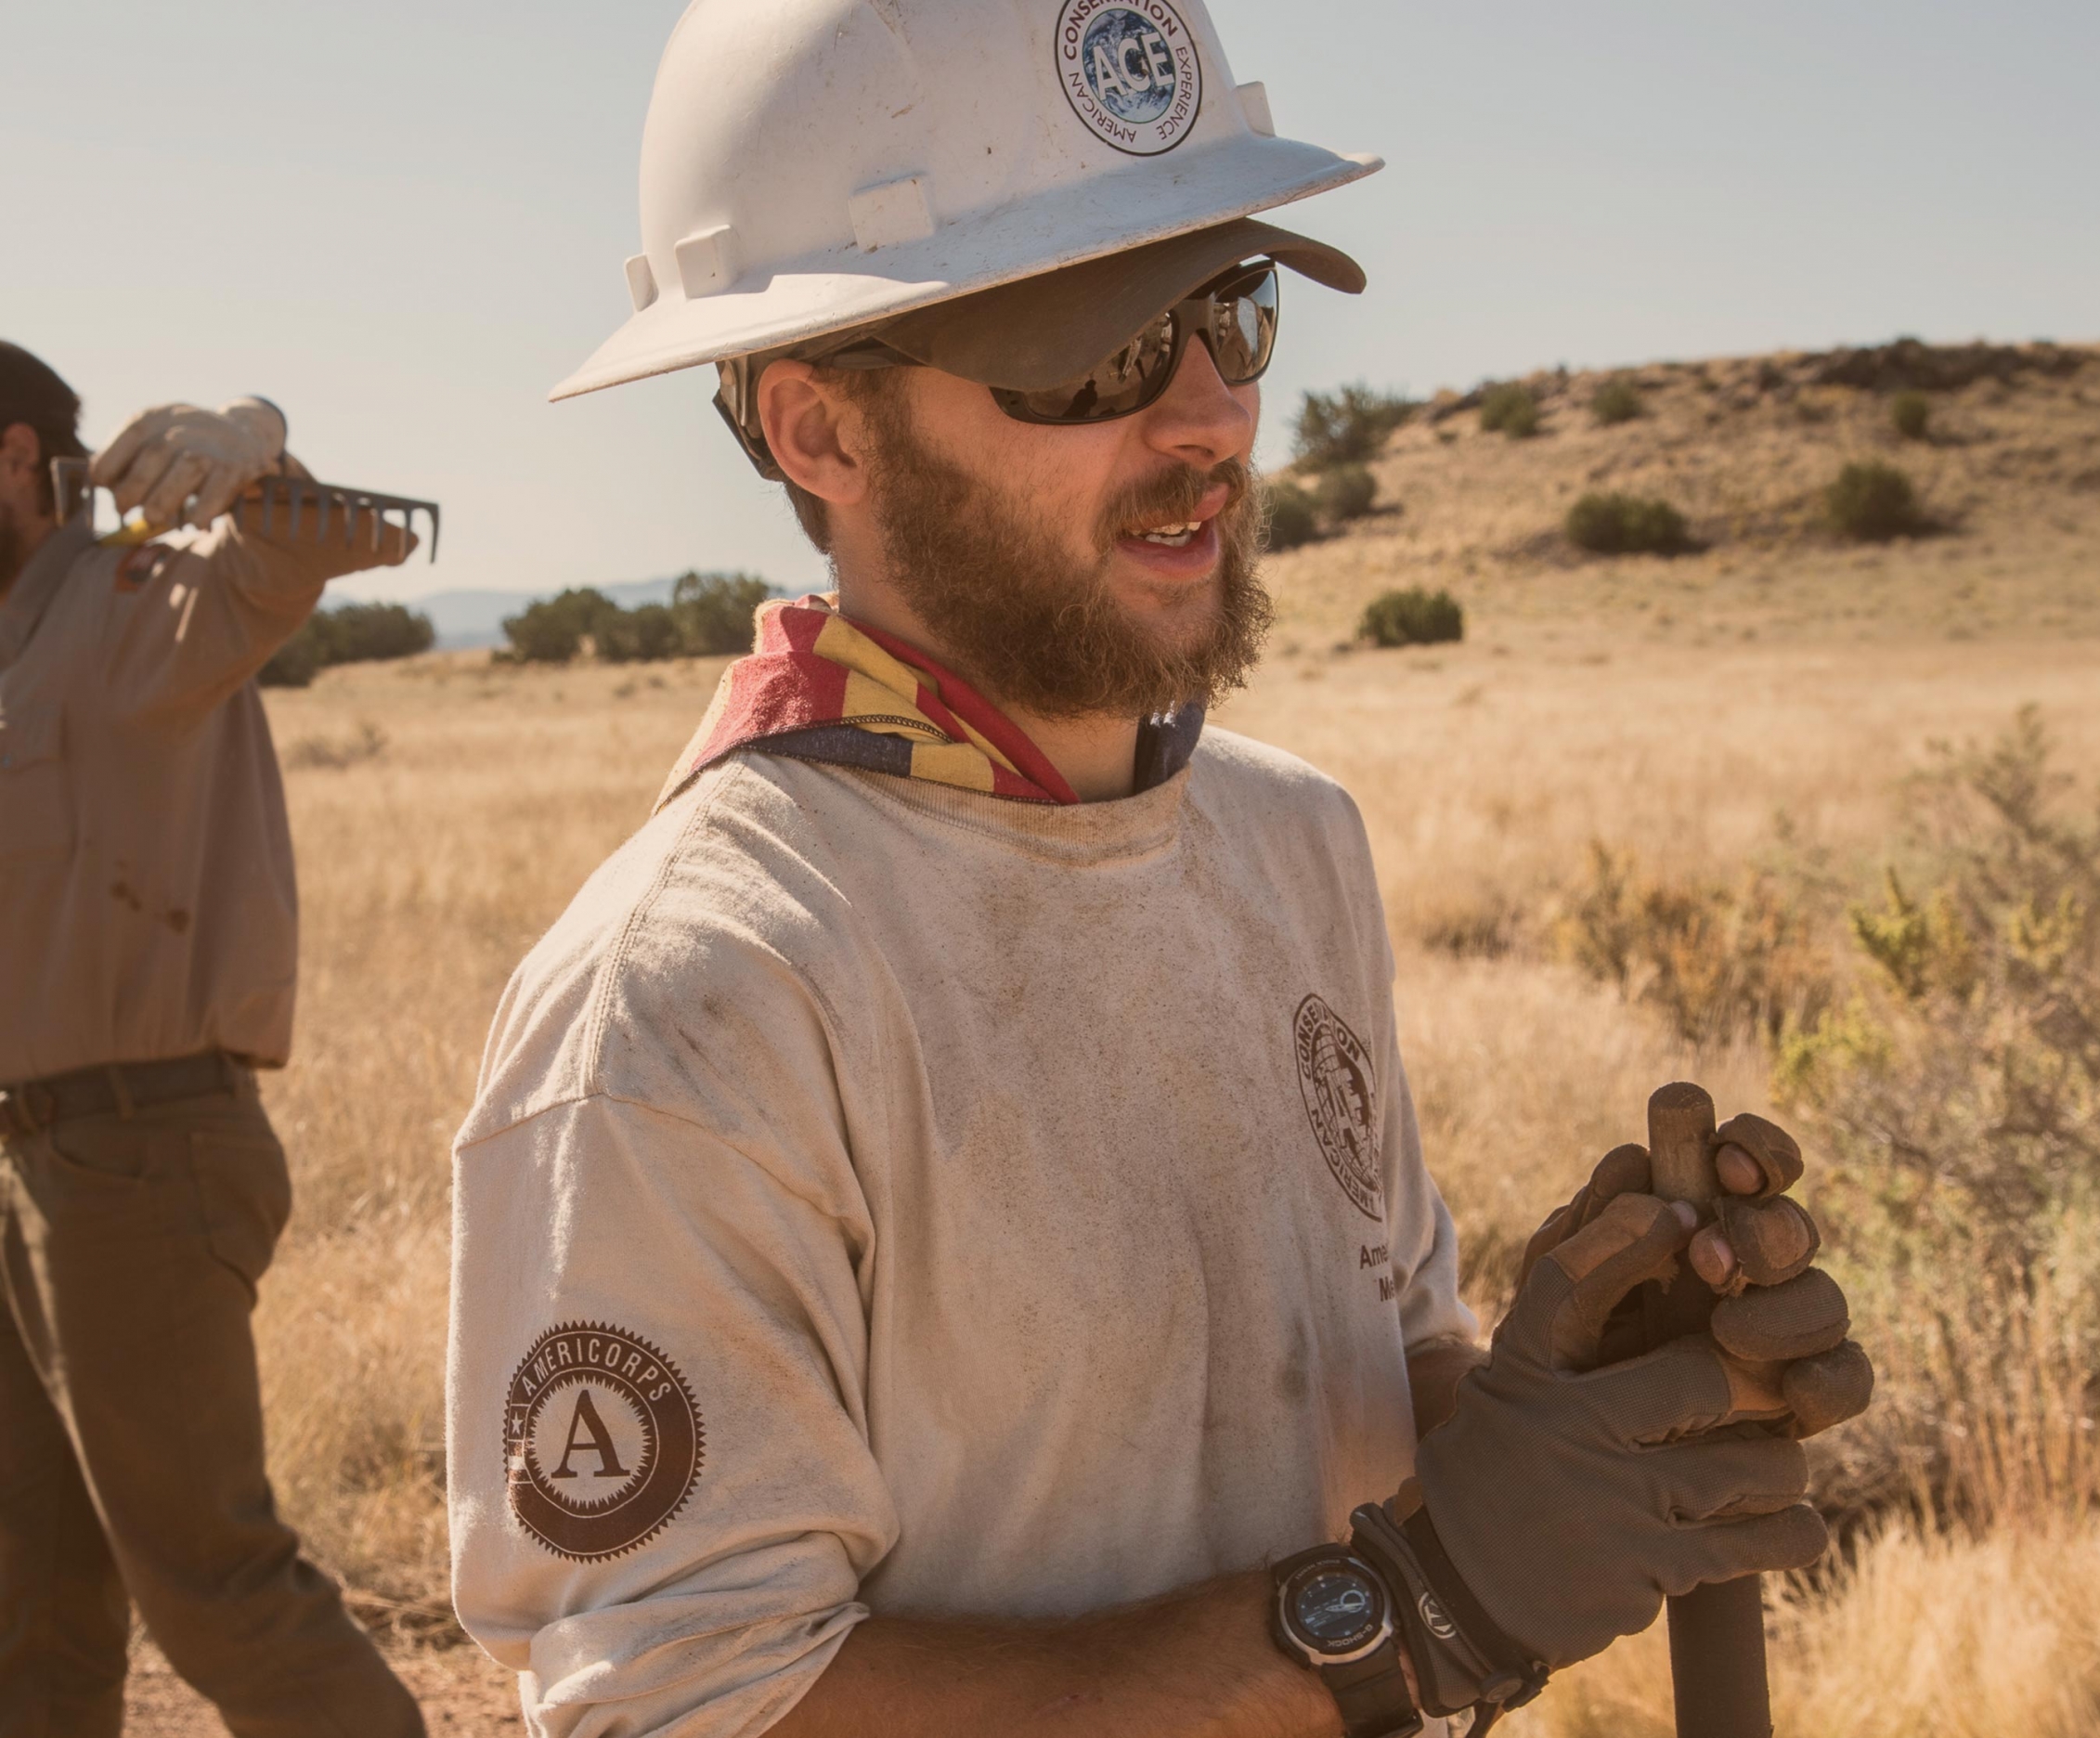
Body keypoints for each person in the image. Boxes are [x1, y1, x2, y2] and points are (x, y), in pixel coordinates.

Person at [446, 3, 1872, 1734]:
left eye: (1229, 310)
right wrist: (1403, 1623)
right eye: (1093, 350)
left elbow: (1347, 1392)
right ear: (821, 432)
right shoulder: (695, 993)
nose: (1208, 417)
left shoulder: (1288, 842)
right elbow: (689, 1707)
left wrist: (1550, 1403)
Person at [0, 340, 425, 1738]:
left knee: (211, 1588)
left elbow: (311, 549)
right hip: (28, 1166)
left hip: (137, 1149)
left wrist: (261, 434)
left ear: (11, 460)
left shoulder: (143, 597)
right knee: (33, 1594)